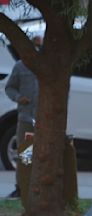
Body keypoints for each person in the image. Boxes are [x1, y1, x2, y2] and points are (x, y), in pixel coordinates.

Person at [4, 35, 42, 198]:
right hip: (26, 118)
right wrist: (19, 98)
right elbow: (10, 88)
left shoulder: (47, 66)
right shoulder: (20, 67)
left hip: (44, 120)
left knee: (44, 154)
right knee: (26, 154)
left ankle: (40, 188)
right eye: (35, 46)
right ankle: (22, 186)